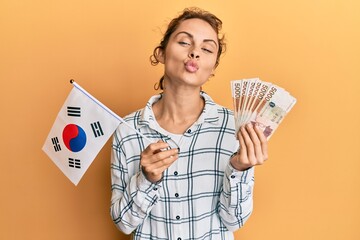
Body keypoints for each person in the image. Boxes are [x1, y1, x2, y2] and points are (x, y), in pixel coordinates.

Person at [110, 7, 268, 240]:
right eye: (185, 42)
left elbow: (234, 221)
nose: (195, 53)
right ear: (161, 53)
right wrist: (147, 179)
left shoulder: (235, 128)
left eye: (206, 49)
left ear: (212, 67)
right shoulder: (127, 130)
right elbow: (123, 224)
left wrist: (239, 169)